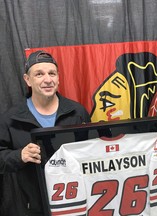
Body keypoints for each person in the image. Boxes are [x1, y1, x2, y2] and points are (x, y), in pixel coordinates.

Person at [0, 50, 91, 216]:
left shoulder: (77, 112)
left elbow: (92, 153)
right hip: (30, 206)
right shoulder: (10, 119)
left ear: (58, 78)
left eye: (52, 73)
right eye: (39, 74)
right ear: (27, 79)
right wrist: (19, 155)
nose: (47, 80)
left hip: (73, 203)